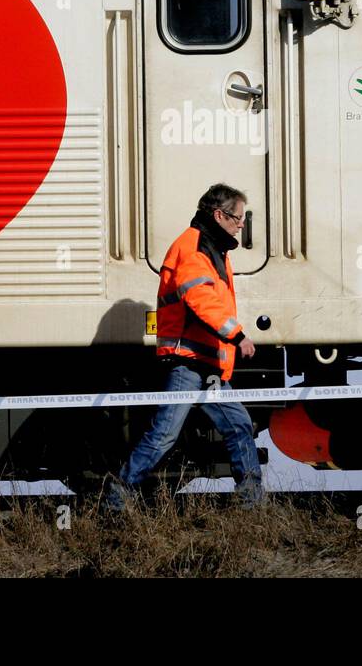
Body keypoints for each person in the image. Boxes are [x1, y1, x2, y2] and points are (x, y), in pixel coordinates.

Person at [106, 184, 264, 510]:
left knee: (238, 426)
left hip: (205, 362)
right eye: (239, 217)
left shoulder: (211, 247)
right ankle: (117, 498)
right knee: (164, 434)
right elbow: (200, 298)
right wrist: (236, 335)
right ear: (219, 215)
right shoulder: (194, 248)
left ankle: (251, 501)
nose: (242, 224)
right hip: (189, 361)